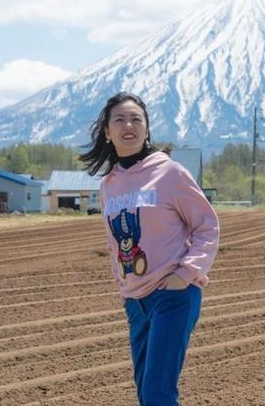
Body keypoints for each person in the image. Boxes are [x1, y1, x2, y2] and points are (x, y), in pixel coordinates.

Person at [79, 92, 220, 406]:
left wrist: (185, 274)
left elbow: (207, 226)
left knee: (158, 392)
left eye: (136, 119)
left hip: (173, 295)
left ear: (146, 129)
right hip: (136, 300)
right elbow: (113, 241)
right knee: (146, 392)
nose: (128, 125)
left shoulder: (170, 173)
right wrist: (122, 283)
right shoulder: (108, 186)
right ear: (107, 130)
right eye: (120, 119)